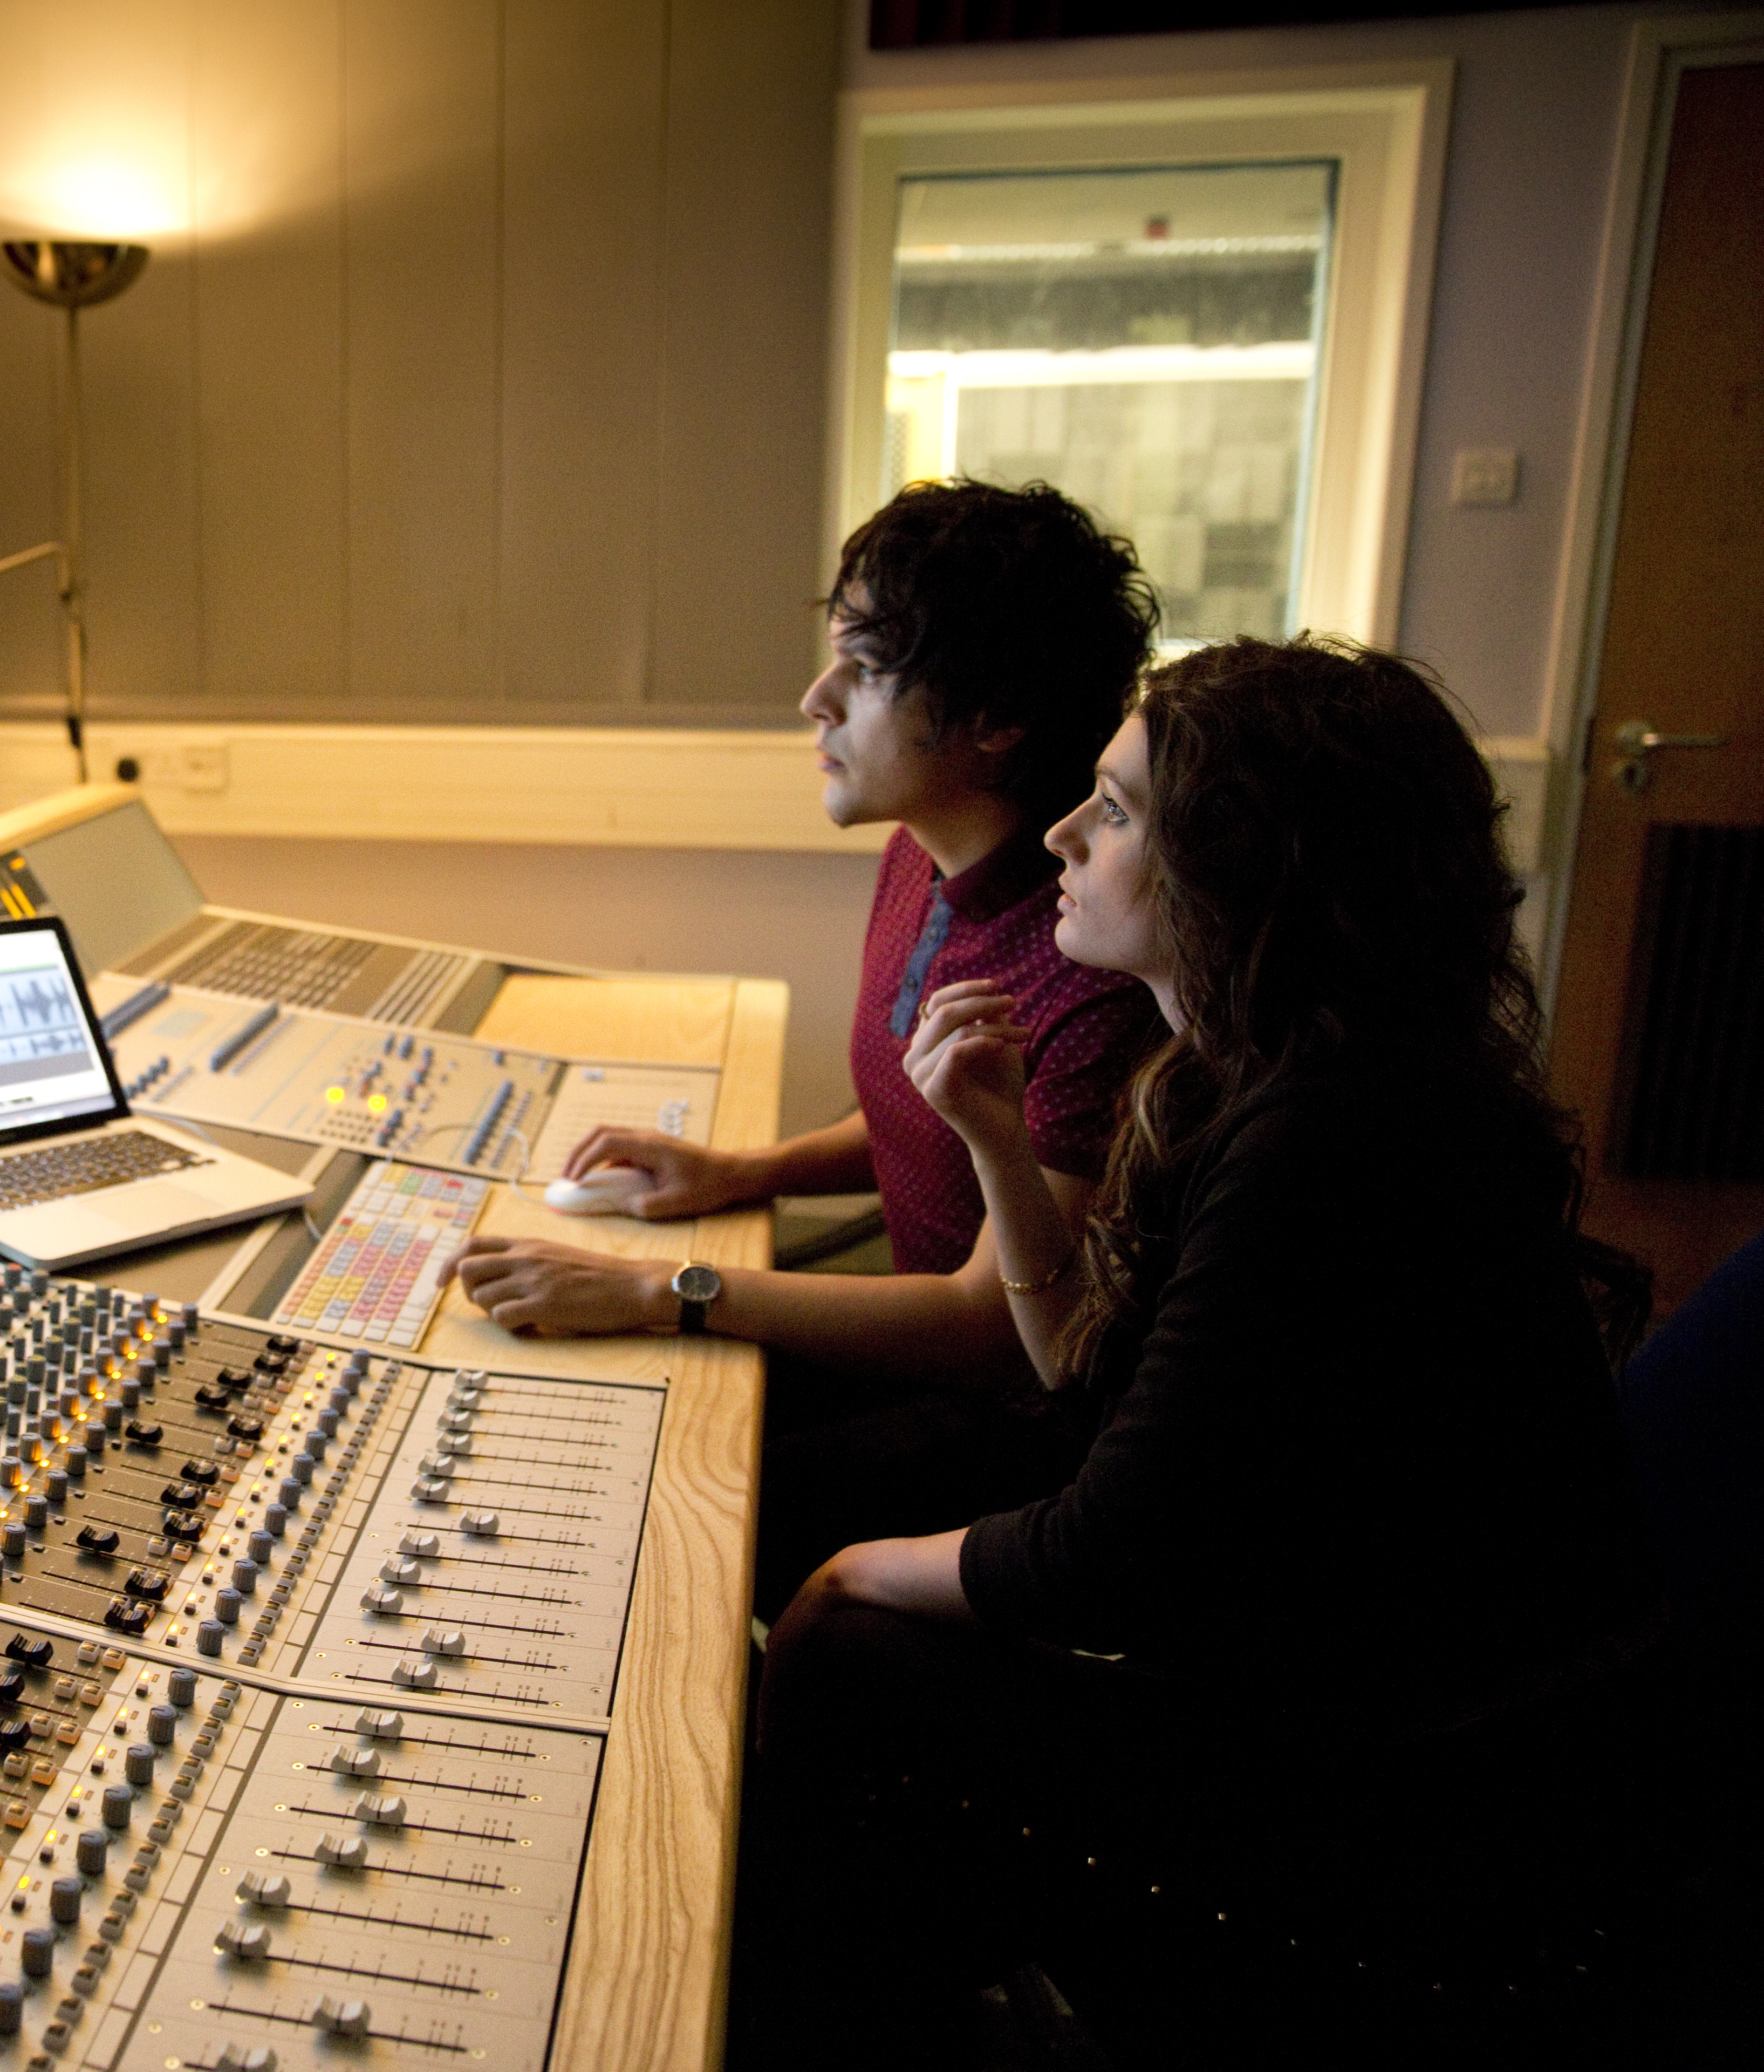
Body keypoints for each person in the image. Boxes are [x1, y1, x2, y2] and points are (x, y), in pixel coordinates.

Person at [730, 637, 1671, 2066]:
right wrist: (992, 1133)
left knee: (858, 1657)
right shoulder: (1270, 1072)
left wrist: (851, 1573)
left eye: (1111, 813)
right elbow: (1085, 1390)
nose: (1062, 831)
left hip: (1402, 1792)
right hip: (1342, 1685)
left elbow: (1108, 1547)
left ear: (1241, 868)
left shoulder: (1327, 1133)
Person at [447, 479, 1167, 1611]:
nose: (815, 699)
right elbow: (922, 1123)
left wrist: (653, 1289)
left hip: (1004, 1424)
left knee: (652, 1507)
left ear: (995, 721)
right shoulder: (920, 856)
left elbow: (993, 1326)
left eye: (866, 670)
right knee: (581, 1405)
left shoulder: (1089, 971)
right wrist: (744, 1173)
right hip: (907, 1344)